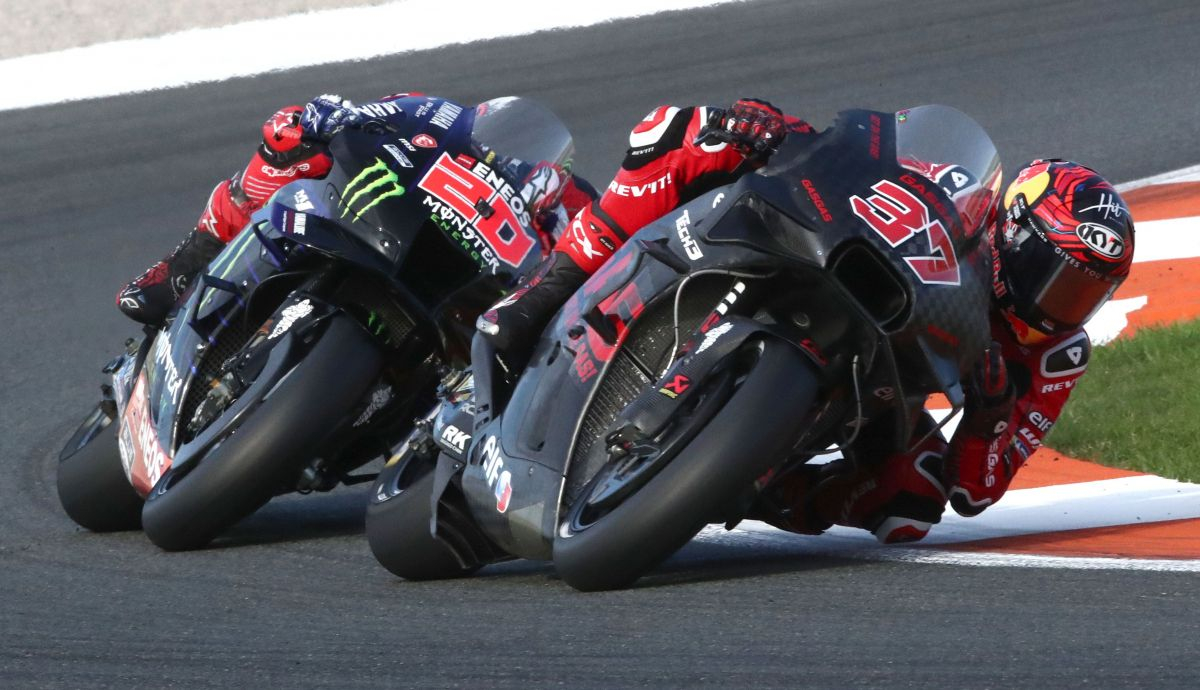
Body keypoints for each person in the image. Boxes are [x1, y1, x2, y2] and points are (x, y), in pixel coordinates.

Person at [477, 98, 1136, 543]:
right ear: (1013, 229)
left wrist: (991, 412)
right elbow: (855, 156)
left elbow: (978, 489)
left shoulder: (1054, 356)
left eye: (1084, 293)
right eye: (1056, 275)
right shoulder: (960, 193)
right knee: (694, 135)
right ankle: (545, 291)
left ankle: (764, 482)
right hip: (830, 258)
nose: (1059, 303)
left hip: (888, 382)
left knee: (915, 502)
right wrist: (771, 127)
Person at [116, 93, 596, 326]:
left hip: (460, 298)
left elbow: (588, 270)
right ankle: (184, 266)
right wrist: (326, 117)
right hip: (383, 221)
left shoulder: (570, 209)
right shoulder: (441, 117)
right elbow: (356, 116)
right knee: (292, 144)